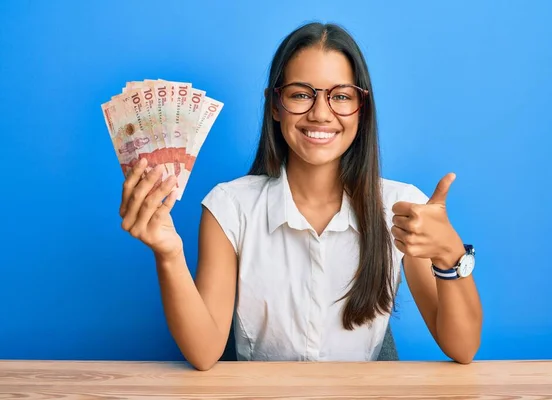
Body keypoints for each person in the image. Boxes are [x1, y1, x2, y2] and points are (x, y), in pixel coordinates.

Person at [118, 22, 483, 371]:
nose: (320, 114)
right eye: (300, 95)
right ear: (275, 106)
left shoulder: (401, 207)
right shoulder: (229, 207)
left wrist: (450, 255)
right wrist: (168, 254)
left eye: (341, 96)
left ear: (362, 109)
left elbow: (463, 348)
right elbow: (204, 353)